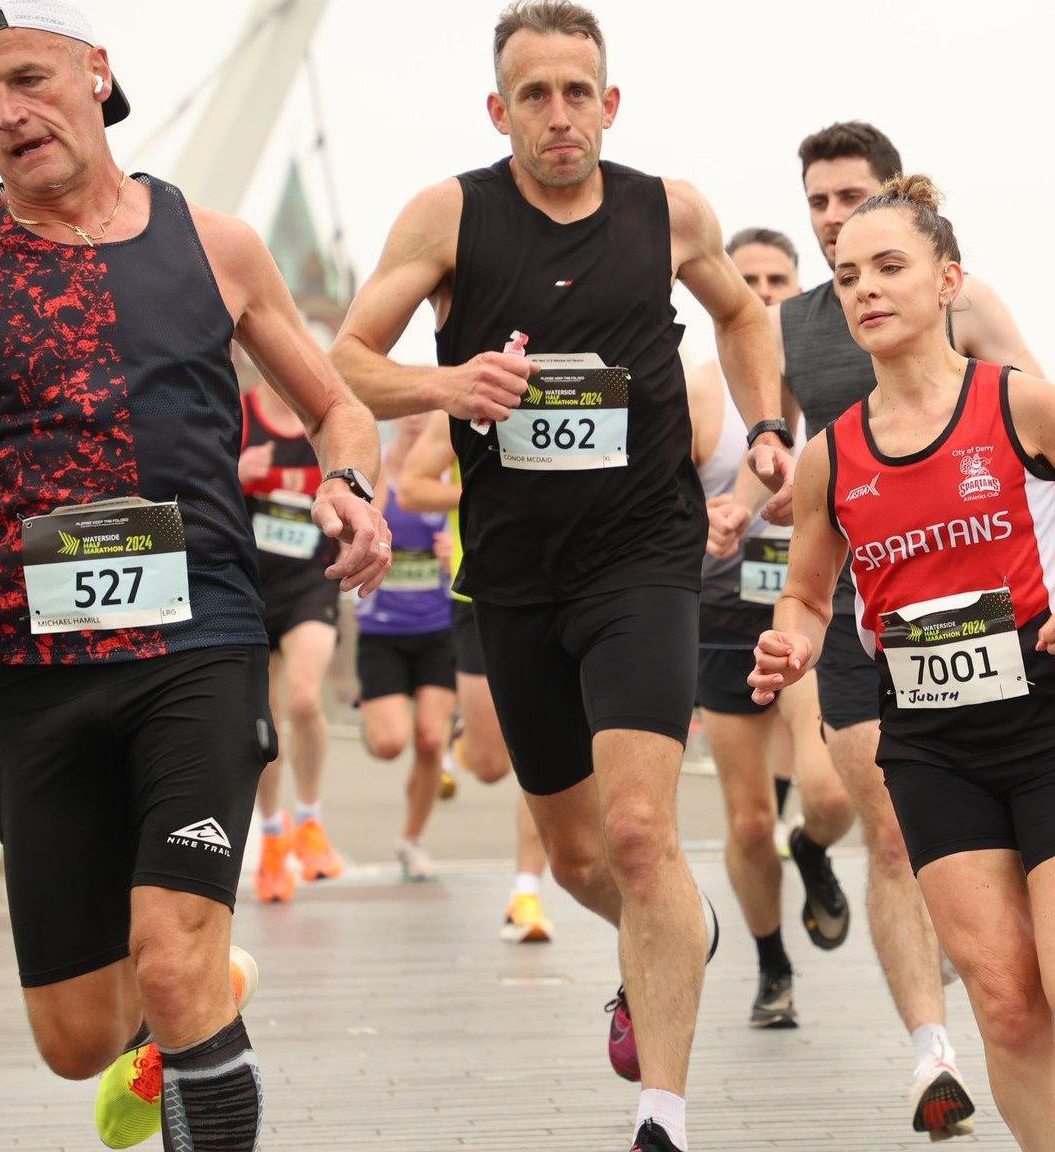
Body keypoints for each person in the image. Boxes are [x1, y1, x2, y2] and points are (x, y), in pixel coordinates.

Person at [0, 4, 390, 1150]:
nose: (6, 115)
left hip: (201, 643)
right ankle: (190, 1001)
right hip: (37, 671)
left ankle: (196, 1007)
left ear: (97, 74)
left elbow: (337, 402)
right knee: (76, 1037)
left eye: (27, 80)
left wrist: (347, 484)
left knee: (175, 963)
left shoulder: (214, 245)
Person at [330, 6, 794, 1145]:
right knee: (584, 855)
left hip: (641, 561)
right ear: (500, 111)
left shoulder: (666, 209)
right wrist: (449, 388)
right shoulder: (449, 214)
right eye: (532, 95)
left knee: (640, 832)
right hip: (515, 579)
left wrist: (770, 423)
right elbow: (340, 364)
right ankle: (675, 934)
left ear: (610, 103)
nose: (557, 115)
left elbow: (741, 317)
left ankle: (662, 1116)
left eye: (576, 92)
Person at [750, 175, 1055, 1152]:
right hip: (930, 750)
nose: (864, 289)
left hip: (1046, 729)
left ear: (948, 282)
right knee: (1005, 1006)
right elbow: (809, 594)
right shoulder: (833, 456)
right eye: (847, 275)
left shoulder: (1019, 406)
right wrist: (791, 639)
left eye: (889, 267)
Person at [769, 119, 1045, 1137]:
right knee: (891, 831)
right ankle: (932, 1055)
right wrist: (769, 474)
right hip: (860, 612)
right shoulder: (797, 325)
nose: (836, 225)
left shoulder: (961, 301)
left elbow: (1039, 414)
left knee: (1000, 829)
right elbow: (786, 444)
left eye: (854, 200)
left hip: (981, 607)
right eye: (819, 208)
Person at [689, 228, 855, 1030]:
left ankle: (814, 847)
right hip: (721, 621)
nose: (761, 292)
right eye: (744, 278)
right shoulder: (697, 391)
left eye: (777, 279)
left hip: (808, 607)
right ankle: (772, 966)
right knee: (750, 820)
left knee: (828, 791)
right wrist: (712, 520)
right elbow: (655, 504)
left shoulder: (827, 391)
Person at [396, 415, 556, 941]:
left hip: (565, 591)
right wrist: (478, 489)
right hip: (482, 596)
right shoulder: (472, 406)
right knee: (489, 766)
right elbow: (416, 488)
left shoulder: (586, 385)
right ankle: (466, 740)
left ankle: (526, 892)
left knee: (543, 751)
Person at [239, 381, 348, 903]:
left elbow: (374, 483)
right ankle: (274, 835)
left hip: (311, 583)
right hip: (251, 587)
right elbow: (190, 484)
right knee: (265, 719)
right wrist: (238, 474)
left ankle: (309, 818)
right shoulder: (241, 415)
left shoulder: (323, 419)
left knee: (304, 698)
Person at [354, 414, 459, 882]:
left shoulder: (446, 485)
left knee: (432, 740)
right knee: (391, 742)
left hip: (438, 630)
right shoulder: (376, 482)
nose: (418, 425)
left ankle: (412, 840)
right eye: (409, 417)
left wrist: (451, 553)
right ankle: (375, 715)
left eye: (428, 418)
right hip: (383, 633)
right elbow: (345, 542)